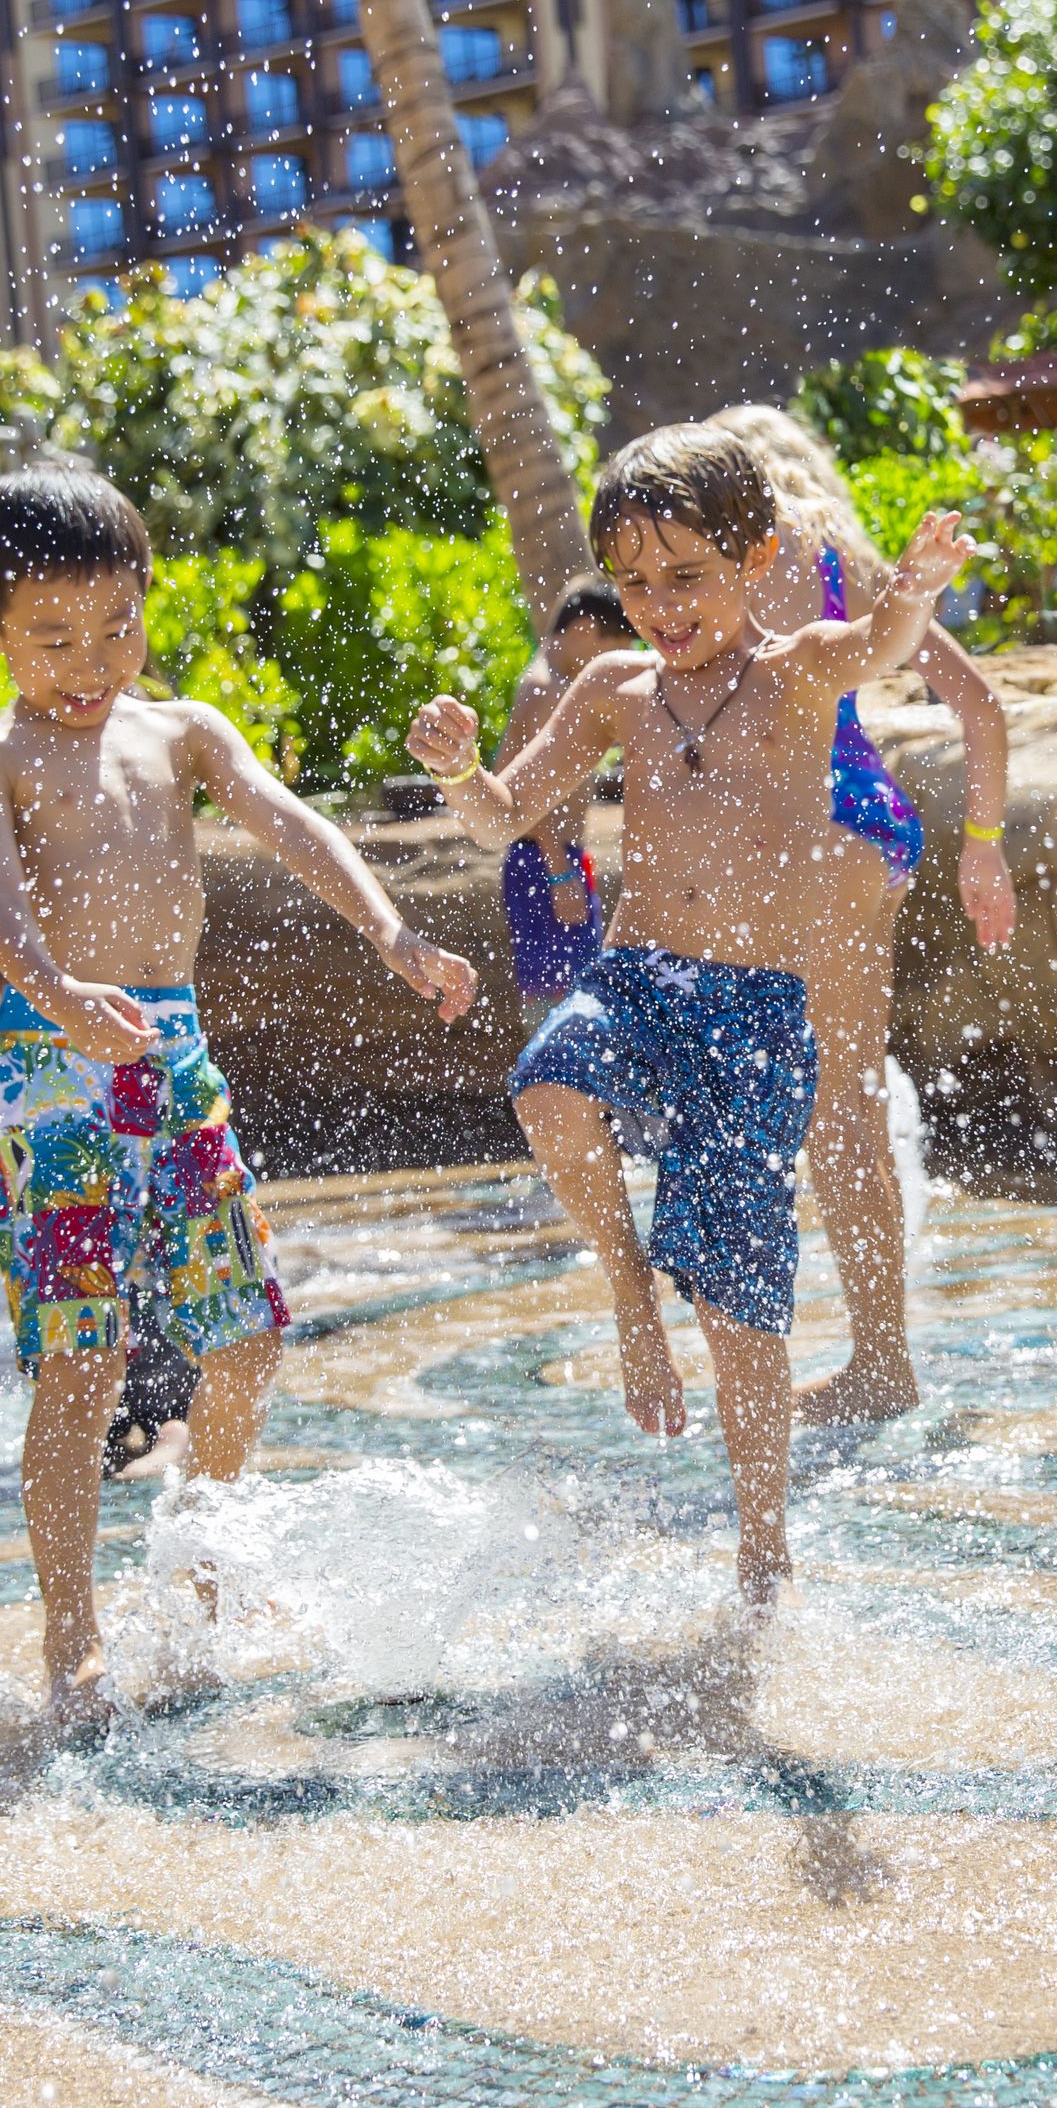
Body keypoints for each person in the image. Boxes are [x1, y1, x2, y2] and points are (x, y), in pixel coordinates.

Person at [0, 458, 480, 1731]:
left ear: (145, 598)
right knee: (85, 1356)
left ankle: (193, 1574)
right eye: (54, 638)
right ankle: (70, 1640)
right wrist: (62, 991)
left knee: (245, 1330)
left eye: (118, 625)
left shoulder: (178, 729)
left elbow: (290, 824)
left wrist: (393, 932)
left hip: (170, 1053)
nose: (93, 662)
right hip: (49, 1066)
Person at [405, 423, 976, 1604]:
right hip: (636, 981)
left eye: (688, 578)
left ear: (758, 555)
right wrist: (463, 768)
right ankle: (629, 1298)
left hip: (755, 1014)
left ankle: (762, 1554)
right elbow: (502, 814)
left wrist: (914, 589)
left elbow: (885, 641)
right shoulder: (615, 689)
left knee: (742, 1308)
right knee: (548, 1083)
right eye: (635, 582)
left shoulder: (801, 670)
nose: (659, 607)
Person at [707, 403, 1018, 1427]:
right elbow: (981, 705)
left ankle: (875, 1366)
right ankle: (878, 1355)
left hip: (797, 831)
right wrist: (983, 847)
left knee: (812, 1108)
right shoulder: (852, 565)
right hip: (871, 825)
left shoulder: (726, 562)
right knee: (848, 1095)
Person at [496, 576, 641, 1026]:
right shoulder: (547, 691)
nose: (616, 661)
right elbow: (513, 791)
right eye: (613, 644)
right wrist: (559, 871)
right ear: (583, 630)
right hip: (544, 860)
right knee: (563, 1001)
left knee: (570, 991)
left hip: (550, 858)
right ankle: (553, 1089)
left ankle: (562, 1087)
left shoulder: (547, 678)